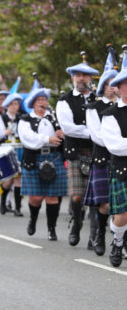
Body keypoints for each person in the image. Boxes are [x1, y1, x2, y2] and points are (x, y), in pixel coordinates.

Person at [56, 58, 98, 246]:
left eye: (85, 75)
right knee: (77, 195)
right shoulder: (65, 100)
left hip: (97, 152)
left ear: (91, 78)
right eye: (78, 75)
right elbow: (68, 128)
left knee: (98, 197)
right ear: (73, 77)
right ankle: (77, 222)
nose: (82, 79)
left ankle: (95, 235)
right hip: (75, 152)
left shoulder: (99, 99)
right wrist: (94, 132)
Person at [17, 88, 66, 240]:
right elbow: (27, 138)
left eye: (44, 100)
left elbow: (64, 135)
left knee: (52, 198)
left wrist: (61, 133)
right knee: (36, 198)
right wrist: (48, 139)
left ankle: (52, 229)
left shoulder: (55, 118)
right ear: (32, 103)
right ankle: (33, 219)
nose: (42, 103)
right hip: (34, 159)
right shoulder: (25, 119)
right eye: (39, 100)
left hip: (54, 157)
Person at [83, 60, 118, 256]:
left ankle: (119, 241)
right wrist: (119, 142)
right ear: (103, 86)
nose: (113, 88)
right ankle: (99, 235)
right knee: (105, 204)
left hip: (122, 160)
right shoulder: (93, 108)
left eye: (117, 84)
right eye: (110, 83)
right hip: (103, 159)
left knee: (123, 207)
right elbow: (97, 136)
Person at [101, 68, 127, 267]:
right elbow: (115, 146)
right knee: (122, 216)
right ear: (119, 88)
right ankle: (118, 241)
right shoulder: (110, 115)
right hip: (123, 169)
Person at [0, 93, 25, 217]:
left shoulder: (22, 118)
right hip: (6, 150)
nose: (14, 106)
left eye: (16, 104)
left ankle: (18, 208)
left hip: (19, 149)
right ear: (7, 105)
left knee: (18, 180)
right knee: (8, 181)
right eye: (12, 104)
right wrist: (4, 133)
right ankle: (3, 202)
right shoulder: (1, 118)